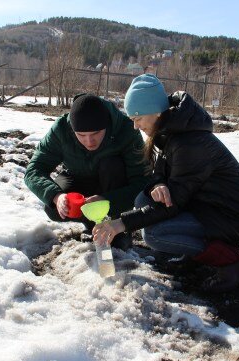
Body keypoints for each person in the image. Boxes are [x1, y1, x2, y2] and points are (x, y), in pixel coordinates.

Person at [92, 74, 239, 292]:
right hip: (204, 206)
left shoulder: (190, 143)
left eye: (137, 118)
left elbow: (174, 204)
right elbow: (158, 173)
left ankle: (234, 260)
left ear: (156, 111)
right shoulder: (169, 131)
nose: (135, 126)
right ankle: (194, 255)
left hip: (232, 219)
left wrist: (120, 224)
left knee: (154, 235)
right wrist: (158, 184)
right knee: (144, 198)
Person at [24, 93, 149, 250]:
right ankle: (91, 223)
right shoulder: (61, 129)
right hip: (77, 177)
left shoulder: (126, 130)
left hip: (112, 183)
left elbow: (141, 182)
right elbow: (34, 169)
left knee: (110, 165)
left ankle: (117, 227)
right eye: (81, 135)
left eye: (96, 133)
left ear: (107, 125)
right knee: (53, 207)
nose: (89, 141)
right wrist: (56, 196)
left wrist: (107, 200)